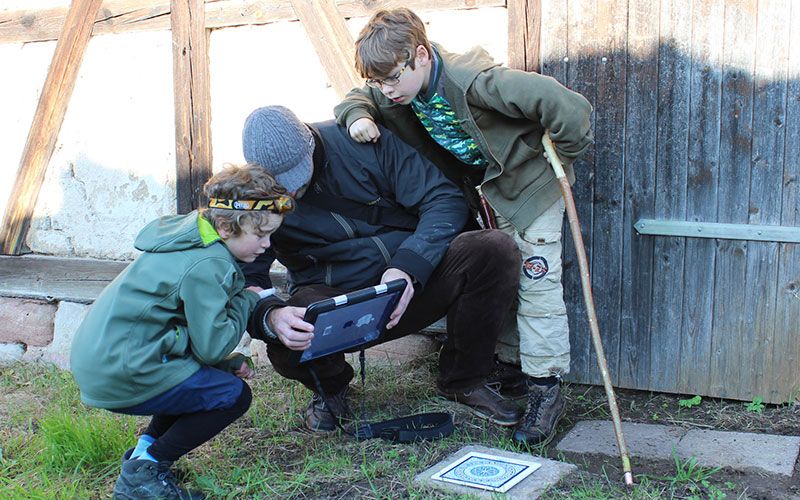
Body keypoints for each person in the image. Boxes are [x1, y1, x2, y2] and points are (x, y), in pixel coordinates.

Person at [333, 8, 594, 446]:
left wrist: (554, 161)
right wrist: (357, 115)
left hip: (531, 194)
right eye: (379, 82)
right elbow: (357, 97)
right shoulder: (400, 88)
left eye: (392, 78)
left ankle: (546, 391)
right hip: (489, 197)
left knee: (539, 288)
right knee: (506, 279)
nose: (386, 90)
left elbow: (568, 108)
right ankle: (513, 371)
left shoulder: (476, 80)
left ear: (420, 55)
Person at [241, 105, 523, 433]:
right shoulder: (253, 193)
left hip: (413, 282)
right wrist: (271, 315)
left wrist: (408, 267)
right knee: (286, 333)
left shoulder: (363, 143)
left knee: (493, 248)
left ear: (309, 143)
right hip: (337, 301)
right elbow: (244, 275)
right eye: (278, 184)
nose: (287, 192)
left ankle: (465, 378)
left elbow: (443, 198)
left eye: (293, 177)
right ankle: (332, 387)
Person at [70, 164, 292, 499]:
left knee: (200, 381)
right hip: (124, 367)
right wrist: (247, 300)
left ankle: (143, 457)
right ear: (225, 225)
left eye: (271, 235)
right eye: (260, 235)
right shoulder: (210, 263)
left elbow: (188, 333)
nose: (267, 245)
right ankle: (144, 475)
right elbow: (212, 347)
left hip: (108, 359)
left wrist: (222, 362)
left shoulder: (191, 235)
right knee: (232, 396)